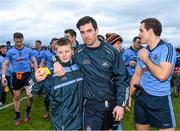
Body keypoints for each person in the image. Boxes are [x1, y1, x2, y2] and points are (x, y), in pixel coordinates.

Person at [53, 16, 129, 130]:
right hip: (91, 105)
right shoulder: (79, 53)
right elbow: (63, 56)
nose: (86, 35)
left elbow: (122, 78)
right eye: (82, 32)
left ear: (96, 30)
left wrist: (120, 104)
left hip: (112, 102)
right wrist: (55, 62)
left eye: (89, 31)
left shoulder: (111, 52)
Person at [127, 18, 176, 130]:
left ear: (150, 31)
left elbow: (163, 76)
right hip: (142, 98)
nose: (139, 34)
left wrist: (146, 59)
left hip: (160, 100)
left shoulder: (167, 48)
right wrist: (129, 95)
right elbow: (137, 75)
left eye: (141, 30)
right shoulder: (142, 51)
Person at [29, 37, 83, 130]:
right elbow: (33, 91)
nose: (64, 55)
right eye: (61, 52)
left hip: (83, 119)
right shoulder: (51, 74)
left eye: (67, 51)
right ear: (56, 53)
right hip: (63, 122)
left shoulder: (81, 68)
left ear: (72, 51)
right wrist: (37, 80)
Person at [1, 32, 38, 126]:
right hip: (16, 76)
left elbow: (34, 61)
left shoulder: (29, 50)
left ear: (23, 39)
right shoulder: (10, 52)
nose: (18, 43)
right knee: (16, 97)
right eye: (17, 41)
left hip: (27, 75)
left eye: (20, 41)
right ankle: (17, 116)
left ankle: (27, 112)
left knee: (30, 95)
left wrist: (37, 72)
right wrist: (3, 76)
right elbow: (5, 64)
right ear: (14, 40)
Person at [39, 37, 58, 119]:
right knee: (47, 96)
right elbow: (42, 63)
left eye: (56, 42)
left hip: (59, 77)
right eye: (53, 43)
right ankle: (47, 110)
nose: (55, 44)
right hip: (48, 77)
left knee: (58, 95)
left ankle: (57, 111)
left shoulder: (61, 52)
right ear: (50, 44)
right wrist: (40, 71)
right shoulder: (46, 53)